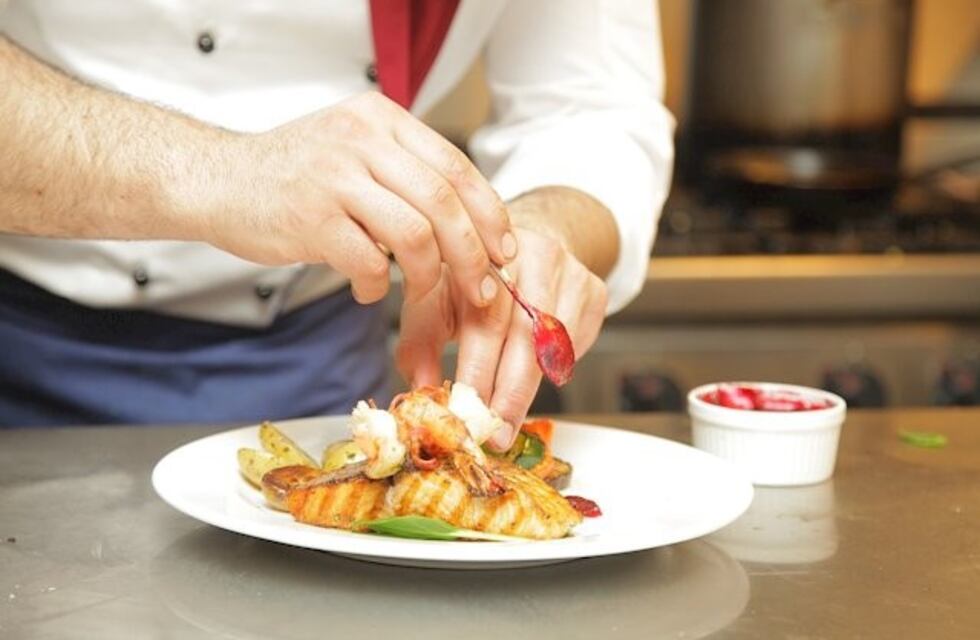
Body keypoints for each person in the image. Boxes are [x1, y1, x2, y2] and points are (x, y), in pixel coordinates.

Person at [0, 0, 673, 448]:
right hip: (20, 354)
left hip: (322, 374)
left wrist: (544, 225)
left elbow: (590, 104)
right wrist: (225, 171)